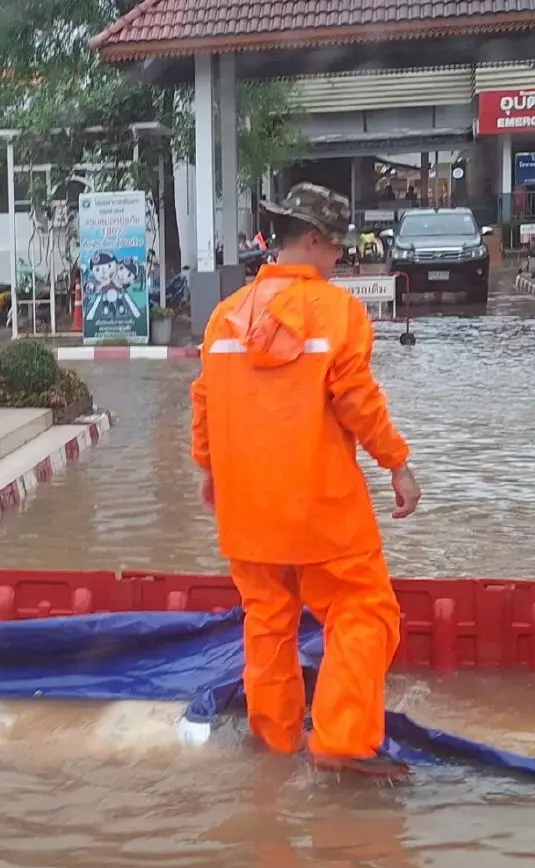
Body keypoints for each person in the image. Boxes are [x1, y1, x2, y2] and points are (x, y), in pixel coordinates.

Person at [190, 182, 422, 778]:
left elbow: (203, 405)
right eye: (337, 248)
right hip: (321, 509)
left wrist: (211, 474)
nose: (338, 260)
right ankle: (342, 743)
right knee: (363, 611)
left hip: (247, 512)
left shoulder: (225, 317)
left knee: (267, 621)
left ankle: (276, 744)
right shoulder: (339, 311)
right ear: (315, 240)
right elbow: (357, 400)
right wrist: (397, 463)